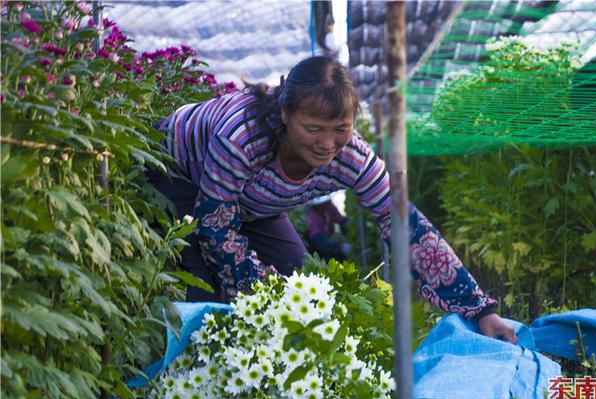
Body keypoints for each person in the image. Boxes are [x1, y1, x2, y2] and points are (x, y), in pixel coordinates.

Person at [150, 56, 517, 343]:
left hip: (252, 204)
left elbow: (408, 227)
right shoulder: (242, 136)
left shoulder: (351, 156)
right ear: (284, 114)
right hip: (181, 178)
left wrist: (479, 310)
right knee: (204, 299)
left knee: (302, 282)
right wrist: (267, 297)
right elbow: (216, 231)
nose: (327, 144)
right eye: (313, 129)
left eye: (340, 129)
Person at [305, 194, 350, 262]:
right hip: (315, 247)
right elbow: (317, 240)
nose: (327, 205)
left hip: (325, 240)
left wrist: (350, 233)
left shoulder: (330, 207)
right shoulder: (312, 214)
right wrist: (339, 248)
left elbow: (341, 220)